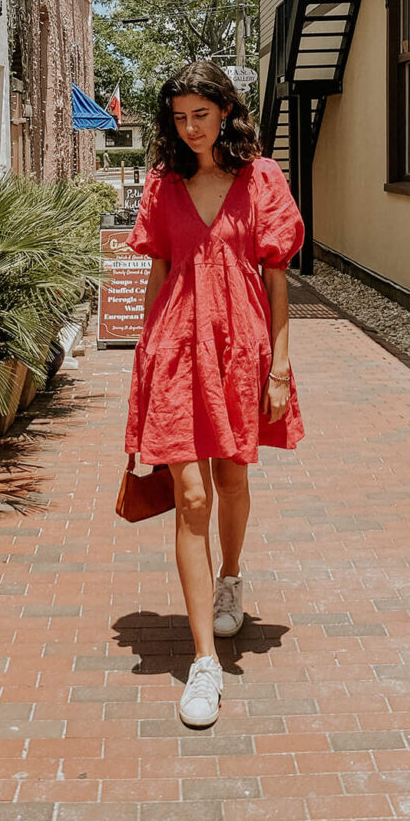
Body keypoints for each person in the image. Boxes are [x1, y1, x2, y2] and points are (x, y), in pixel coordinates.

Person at [125, 61, 305, 727]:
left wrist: (280, 366)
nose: (191, 128)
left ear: (226, 112)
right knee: (190, 495)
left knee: (231, 480)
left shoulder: (261, 179)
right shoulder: (163, 185)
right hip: (174, 350)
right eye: (179, 117)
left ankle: (232, 576)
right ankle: (204, 664)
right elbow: (161, 271)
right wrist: (144, 358)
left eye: (202, 114)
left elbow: (278, 278)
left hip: (240, 351)